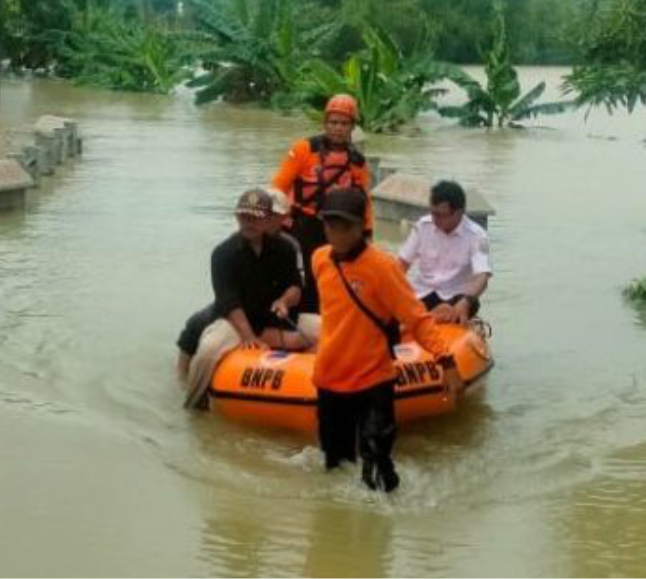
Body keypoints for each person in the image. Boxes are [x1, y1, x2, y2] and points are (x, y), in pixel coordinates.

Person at [312, 187, 462, 492]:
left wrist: (446, 361)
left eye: (345, 225)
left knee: (378, 467)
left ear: (361, 226)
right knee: (336, 467)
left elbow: (416, 318)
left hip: (372, 381)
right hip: (329, 380)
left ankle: (386, 516)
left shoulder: (383, 267)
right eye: (330, 224)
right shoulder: (319, 260)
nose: (337, 233)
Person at [180, 189, 305, 409]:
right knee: (207, 352)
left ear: (269, 219)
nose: (249, 222)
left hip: (272, 318)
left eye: (255, 217)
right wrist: (248, 337)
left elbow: (295, 285)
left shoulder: (285, 248)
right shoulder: (222, 253)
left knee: (323, 330)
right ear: (237, 216)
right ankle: (193, 405)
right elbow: (228, 301)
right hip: (234, 322)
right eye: (244, 216)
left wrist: (284, 301)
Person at [272, 94, 373, 313]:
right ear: (325, 124)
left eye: (344, 123)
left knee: (334, 275)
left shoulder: (357, 161)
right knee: (300, 275)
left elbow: (363, 200)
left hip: (336, 226)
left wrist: (367, 233)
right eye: (333, 122)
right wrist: (272, 220)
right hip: (301, 222)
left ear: (352, 127)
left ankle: (327, 315)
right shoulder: (304, 149)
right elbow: (279, 186)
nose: (338, 128)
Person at [398, 180, 492, 324]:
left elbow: (482, 276)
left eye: (440, 215)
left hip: (455, 298)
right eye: (433, 213)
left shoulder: (477, 236)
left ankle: (434, 316)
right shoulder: (422, 226)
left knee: (467, 304)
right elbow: (402, 264)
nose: (435, 219)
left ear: (459, 213)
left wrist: (467, 300)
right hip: (423, 293)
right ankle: (431, 315)